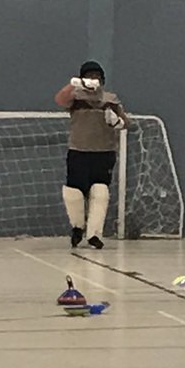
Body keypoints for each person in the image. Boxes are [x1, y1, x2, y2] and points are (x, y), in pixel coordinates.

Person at [54, 61, 129, 249]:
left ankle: (94, 234)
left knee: (101, 192)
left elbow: (126, 123)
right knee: (73, 192)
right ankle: (77, 227)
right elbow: (60, 100)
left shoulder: (110, 98)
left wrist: (117, 121)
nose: (94, 79)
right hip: (79, 151)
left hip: (104, 152)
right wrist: (75, 84)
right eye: (89, 76)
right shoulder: (76, 96)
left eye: (97, 76)